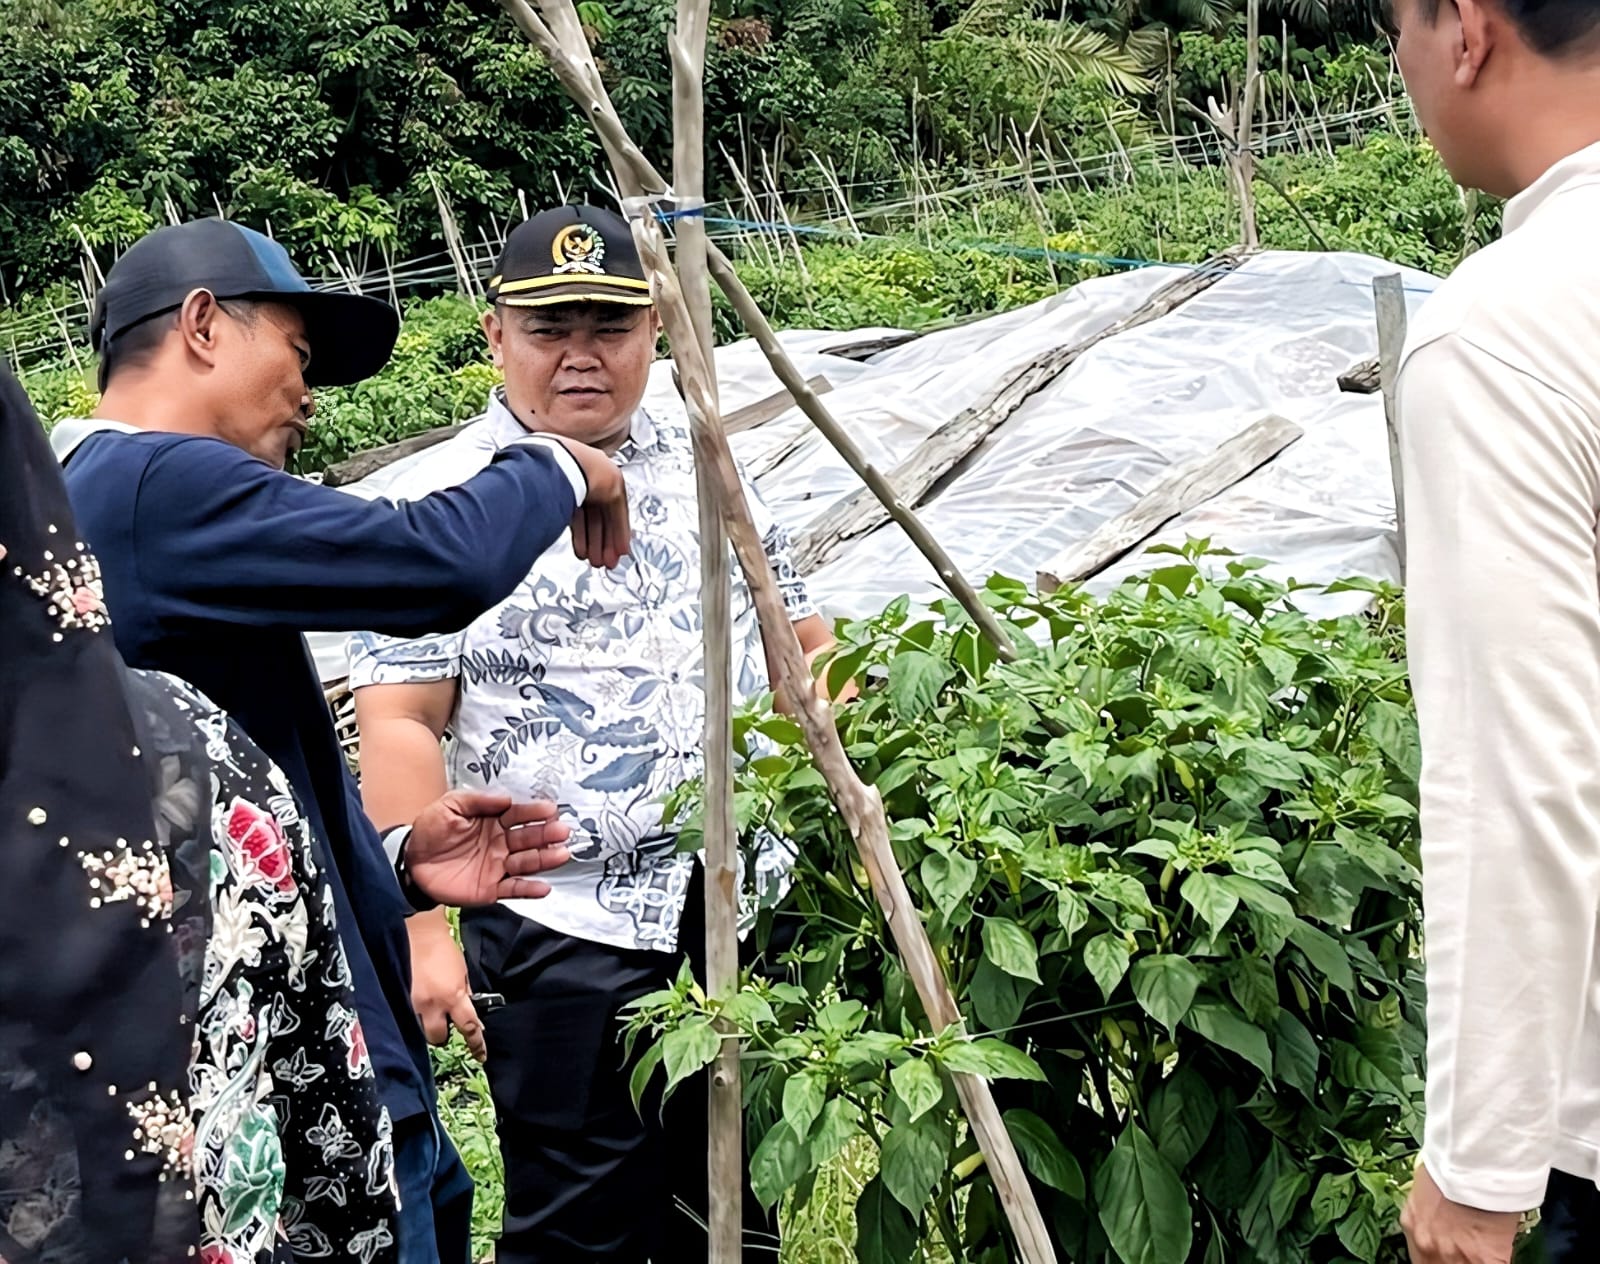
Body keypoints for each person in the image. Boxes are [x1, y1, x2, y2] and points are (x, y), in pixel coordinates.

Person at [51, 217, 630, 1264]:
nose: (310, 396)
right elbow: (434, 565)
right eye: (299, 356)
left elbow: (227, 804)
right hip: (314, 1074)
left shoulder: (84, 495)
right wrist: (557, 461)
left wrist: (397, 863)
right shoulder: (151, 486)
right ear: (200, 326)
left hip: (293, 1030)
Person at [348, 204, 837, 1263]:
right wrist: (423, 926)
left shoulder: (714, 467)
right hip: (562, 919)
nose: (580, 357)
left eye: (607, 329)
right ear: (495, 337)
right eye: (548, 330)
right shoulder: (441, 501)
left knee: (737, 1199)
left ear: (653, 330)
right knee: (580, 1219)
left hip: (738, 901)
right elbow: (399, 718)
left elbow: (802, 639)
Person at [1386, 0, 1600, 1261]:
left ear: (1466, 30)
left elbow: (1526, 775)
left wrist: (1478, 1162)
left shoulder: (1503, 332)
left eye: (1398, 30)